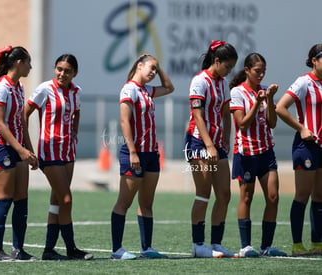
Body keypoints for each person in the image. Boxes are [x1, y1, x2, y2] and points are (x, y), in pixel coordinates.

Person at [24, 54, 93, 261]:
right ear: (55, 69)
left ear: (75, 73)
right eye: (59, 69)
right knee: (66, 199)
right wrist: (27, 147)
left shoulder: (76, 91)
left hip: (68, 151)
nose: (62, 74)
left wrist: (74, 132)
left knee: (57, 201)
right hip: (49, 151)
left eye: (68, 71)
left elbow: (76, 112)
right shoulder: (45, 89)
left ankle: (48, 250)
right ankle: (71, 248)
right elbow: (24, 114)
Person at [110, 54, 174, 260]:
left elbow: (170, 88)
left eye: (156, 69)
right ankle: (117, 250)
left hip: (152, 154)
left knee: (146, 203)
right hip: (135, 153)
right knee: (125, 202)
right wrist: (132, 151)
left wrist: (158, 65)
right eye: (151, 68)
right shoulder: (129, 89)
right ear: (139, 66)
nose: (154, 73)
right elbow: (124, 121)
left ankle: (147, 247)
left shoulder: (147, 90)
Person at [0, 45, 39, 261]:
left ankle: (18, 249)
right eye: (28, 62)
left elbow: (20, 123)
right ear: (19, 63)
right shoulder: (1, 88)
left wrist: (30, 151)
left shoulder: (18, 87)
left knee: (21, 200)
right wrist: (20, 149)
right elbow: (0, 124)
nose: (30, 67)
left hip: (16, 148)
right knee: (4, 200)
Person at [229, 53, 287, 257]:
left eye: (264, 71)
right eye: (257, 71)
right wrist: (256, 102)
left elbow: (272, 123)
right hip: (246, 152)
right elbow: (242, 123)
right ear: (247, 70)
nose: (261, 74)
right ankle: (246, 246)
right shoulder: (237, 92)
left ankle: (267, 246)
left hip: (266, 152)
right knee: (246, 197)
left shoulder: (264, 91)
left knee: (273, 197)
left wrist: (269, 99)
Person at [184, 40, 238, 258]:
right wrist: (208, 145)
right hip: (198, 143)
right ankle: (198, 245)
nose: (229, 71)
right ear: (217, 61)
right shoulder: (199, 81)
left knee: (224, 194)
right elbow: (198, 115)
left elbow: (226, 113)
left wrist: (225, 138)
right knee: (204, 193)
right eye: (227, 66)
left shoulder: (223, 83)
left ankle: (216, 243)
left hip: (217, 144)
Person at [276, 44, 322, 256]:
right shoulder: (304, 82)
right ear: (314, 60)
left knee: (320, 197)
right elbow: (280, 108)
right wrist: (302, 128)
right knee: (302, 195)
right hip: (307, 146)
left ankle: (317, 244)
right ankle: (296, 245)